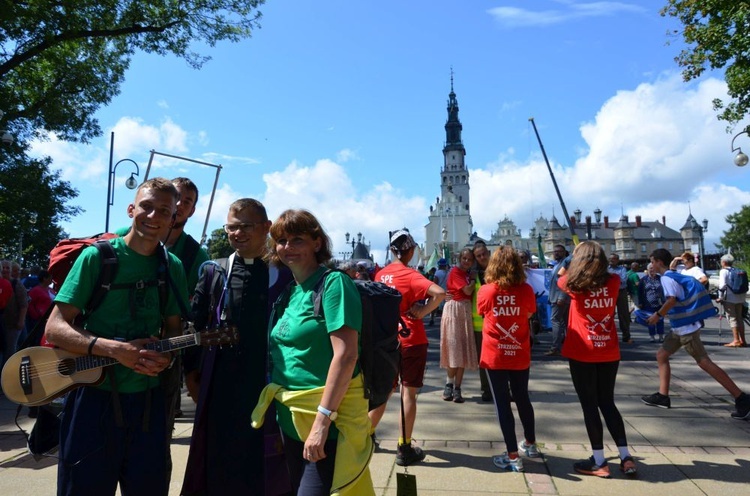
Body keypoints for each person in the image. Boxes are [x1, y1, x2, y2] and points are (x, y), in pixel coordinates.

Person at [45, 177, 189, 496]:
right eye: (146, 207)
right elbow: (55, 327)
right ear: (131, 208)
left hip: (149, 405)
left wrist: (166, 357)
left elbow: (174, 327)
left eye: (163, 211)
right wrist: (115, 350)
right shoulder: (97, 258)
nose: (153, 217)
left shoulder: (171, 266)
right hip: (91, 400)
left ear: (173, 218)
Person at [256, 208, 373, 495]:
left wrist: (322, 422)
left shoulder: (334, 284)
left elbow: (346, 356)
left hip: (329, 422)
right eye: (281, 241)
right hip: (293, 419)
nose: (287, 247)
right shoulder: (290, 292)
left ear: (316, 243)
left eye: (297, 240)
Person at [181, 198, 291, 496]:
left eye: (245, 226)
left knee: (267, 463)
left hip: (268, 384)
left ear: (266, 227)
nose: (237, 233)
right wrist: (191, 372)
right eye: (231, 227)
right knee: (219, 461)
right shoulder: (214, 272)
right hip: (222, 385)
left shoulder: (286, 274)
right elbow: (196, 325)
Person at [641, 249, 750, 420]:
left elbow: (671, 300)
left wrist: (658, 315)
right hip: (680, 326)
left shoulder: (667, 278)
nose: (651, 265)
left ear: (659, 262)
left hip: (686, 328)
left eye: (652, 261)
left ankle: (741, 398)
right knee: (662, 355)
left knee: (704, 362)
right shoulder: (673, 275)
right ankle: (663, 396)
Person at [558, 241, 636, 478]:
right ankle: (625, 456)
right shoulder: (613, 282)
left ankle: (599, 460)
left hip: (582, 351)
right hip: (608, 350)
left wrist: (572, 257)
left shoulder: (573, 284)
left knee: (589, 405)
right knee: (607, 402)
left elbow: (560, 275)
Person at [369, 228, 445, 466]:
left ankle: (364, 436)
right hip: (411, 338)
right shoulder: (411, 275)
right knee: (408, 393)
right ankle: (404, 446)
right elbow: (440, 292)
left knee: (384, 391)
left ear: (392, 250)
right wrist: (422, 310)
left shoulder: (380, 275)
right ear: (410, 250)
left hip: (386, 340)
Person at [477, 246, 539, 473]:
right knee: (523, 398)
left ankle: (513, 455)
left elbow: (482, 312)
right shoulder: (526, 290)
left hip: (496, 354)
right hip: (519, 351)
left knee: (502, 404)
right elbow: (530, 314)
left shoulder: (487, 290)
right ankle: (530, 443)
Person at [440, 248, 478, 403]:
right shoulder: (456, 272)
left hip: (464, 310)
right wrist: (474, 280)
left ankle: (457, 387)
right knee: (454, 348)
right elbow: (468, 291)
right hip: (455, 310)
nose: (466, 261)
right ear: (459, 258)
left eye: (469, 259)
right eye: (464, 258)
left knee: (461, 350)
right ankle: (449, 383)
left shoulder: (465, 274)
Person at [471, 240, 492, 401]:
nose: (482, 257)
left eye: (484, 254)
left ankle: (504, 388)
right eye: (478, 256)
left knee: (501, 358)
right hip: (479, 324)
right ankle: (486, 389)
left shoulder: (499, 271)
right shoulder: (473, 275)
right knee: (483, 359)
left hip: (498, 322)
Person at [1, 259, 28, 369]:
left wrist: (21, 320)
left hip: (13, 323)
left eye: (8, 268)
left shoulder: (16, 284)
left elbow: (24, 304)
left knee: (10, 350)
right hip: (2, 322)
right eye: (3, 267)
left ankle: (8, 372)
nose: (5, 270)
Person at [717, 254, 746, 347]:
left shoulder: (723, 271)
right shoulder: (736, 270)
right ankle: (743, 340)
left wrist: (720, 297)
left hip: (729, 298)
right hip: (740, 297)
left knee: (732, 318)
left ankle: (736, 340)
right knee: (739, 318)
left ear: (724, 262)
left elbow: (722, 286)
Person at [546, 245, 570, 356]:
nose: (556, 253)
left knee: (555, 321)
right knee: (565, 323)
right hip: (556, 297)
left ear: (565, 252)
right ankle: (568, 345)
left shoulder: (565, 264)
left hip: (560, 299)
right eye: (555, 251)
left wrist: (561, 297)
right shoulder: (557, 265)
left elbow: (566, 282)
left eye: (559, 251)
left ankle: (555, 347)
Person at [633, 264, 665, 342]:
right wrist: (640, 302)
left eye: (653, 268)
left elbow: (664, 290)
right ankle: (652, 336)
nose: (652, 270)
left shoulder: (660, 279)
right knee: (650, 320)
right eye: (650, 268)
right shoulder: (643, 280)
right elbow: (640, 292)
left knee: (660, 320)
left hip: (659, 303)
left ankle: (661, 336)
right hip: (648, 303)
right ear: (648, 270)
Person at [607, 253, 632, 343]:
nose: (611, 260)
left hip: (621, 292)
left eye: (613, 259)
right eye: (610, 259)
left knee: (624, 314)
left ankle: (626, 335)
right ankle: (608, 335)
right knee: (609, 314)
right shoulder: (605, 269)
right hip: (609, 293)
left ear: (617, 260)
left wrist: (611, 278)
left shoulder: (622, 269)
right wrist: (615, 279)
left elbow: (623, 280)